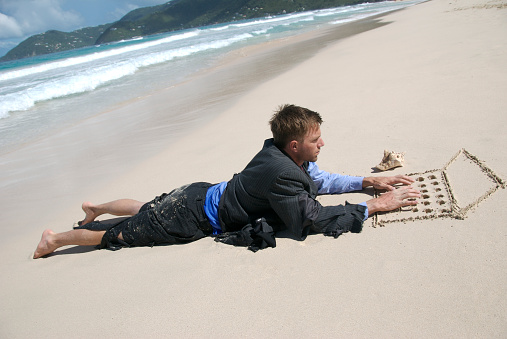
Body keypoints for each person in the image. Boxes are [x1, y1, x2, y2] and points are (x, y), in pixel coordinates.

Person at [33, 104, 420, 258]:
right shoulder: (285, 171)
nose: (323, 144)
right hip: (191, 218)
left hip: (198, 193)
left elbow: (320, 180)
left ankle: (95, 207)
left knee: (146, 209)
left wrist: (364, 182)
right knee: (116, 236)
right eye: (317, 139)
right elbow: (310, 218)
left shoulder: (277, 152)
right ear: (296, 144)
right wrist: (373, 207)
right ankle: (56, 239)